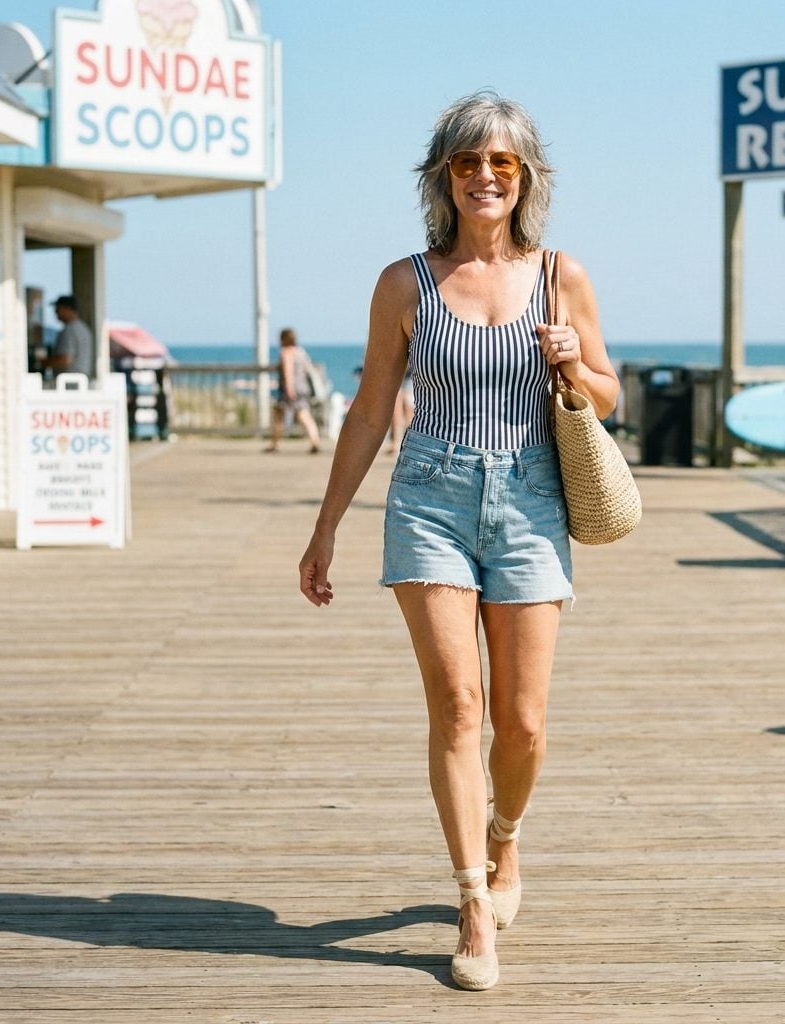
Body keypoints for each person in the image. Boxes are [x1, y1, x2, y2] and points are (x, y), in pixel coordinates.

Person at [297, 91, 619, 991]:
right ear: (444, 177)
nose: (485, 177)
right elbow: (368, 411)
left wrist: (572, 365)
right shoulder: (405, 282)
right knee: (459, 709)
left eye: (502, 164)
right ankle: (474, 900)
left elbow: (608, 396)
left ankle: (505, 838)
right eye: (468, 163)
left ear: (526, 179)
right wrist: (324, 528)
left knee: (521, 725)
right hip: (429, 499)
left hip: (532, 500)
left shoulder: (562, 276)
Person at [266, 328, 322, 453]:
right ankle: (315, 441)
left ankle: (274, 444)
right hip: (302, 387)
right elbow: (308, 370)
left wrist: (289, 389)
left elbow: (288, 372)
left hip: (289, 388)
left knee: (279, 416)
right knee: (304, 415)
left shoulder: (286, 352)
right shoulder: (300, 352)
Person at [41, 295, 94, 379]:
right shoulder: (84, 328)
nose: (55, 312)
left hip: (69, 382)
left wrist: (42, 362)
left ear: (67, 308)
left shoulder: (69, 330)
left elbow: (65, 360)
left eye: (58, 308)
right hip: (82, 380)